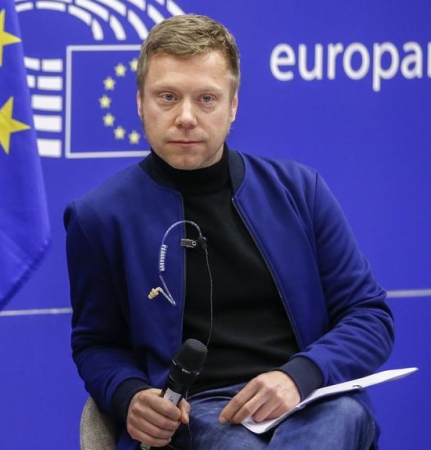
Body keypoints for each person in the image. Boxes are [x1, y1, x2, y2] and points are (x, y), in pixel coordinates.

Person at [65, 14, 394, 450]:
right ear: (140, 103)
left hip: (310, 401)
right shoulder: (98, 217)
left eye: (206, 99)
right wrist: (128, 394)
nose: (185, 117)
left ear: (233, 105)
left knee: (338, 421)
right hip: (195, 413)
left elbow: (369, 316)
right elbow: (96, 344)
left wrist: (298, 376)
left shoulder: (299, 190)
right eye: (167, 97)